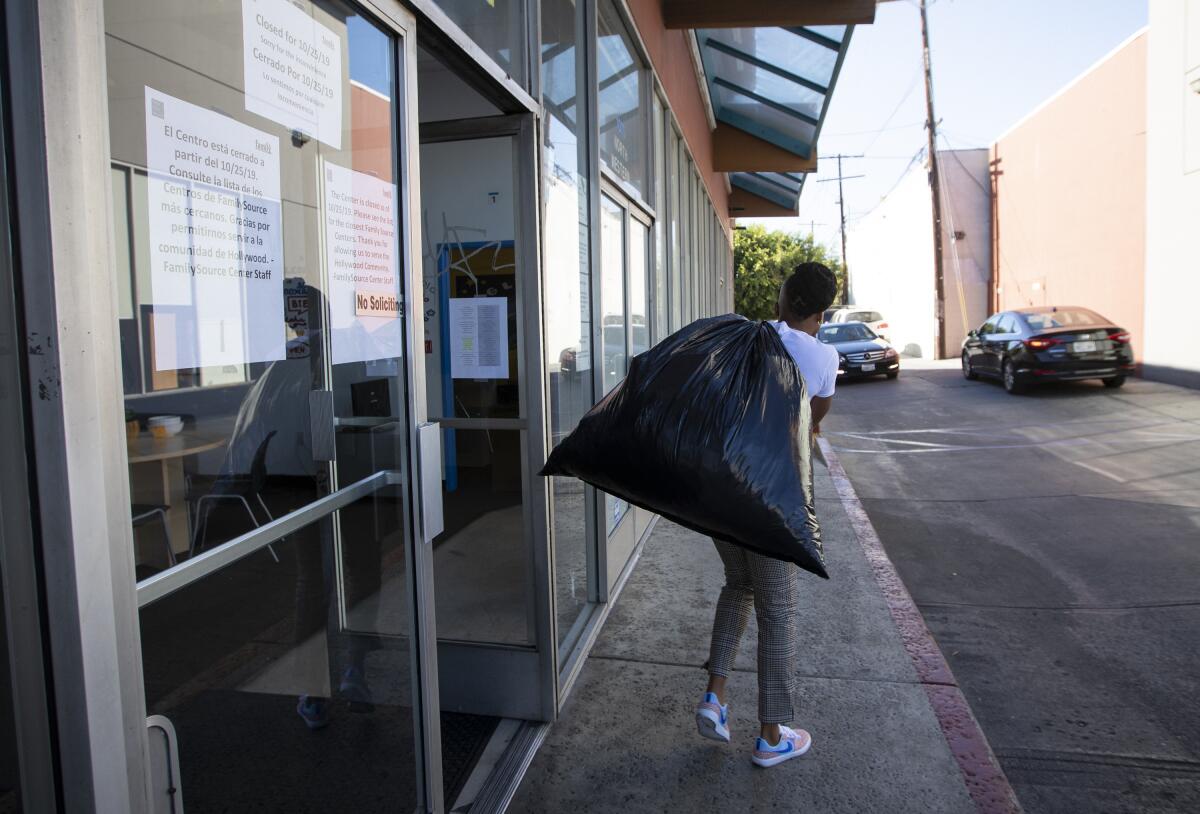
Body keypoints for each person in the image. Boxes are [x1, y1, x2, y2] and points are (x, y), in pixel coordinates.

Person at [695, 261, 839, 768]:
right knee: (777, 612)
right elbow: (812, 422)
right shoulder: (824, 357)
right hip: (773, 499)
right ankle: (771, 734)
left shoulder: (748, 336)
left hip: (722, 489)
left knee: (738, 585)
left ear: (782, 299)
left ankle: (714, 697)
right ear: (821, 313)